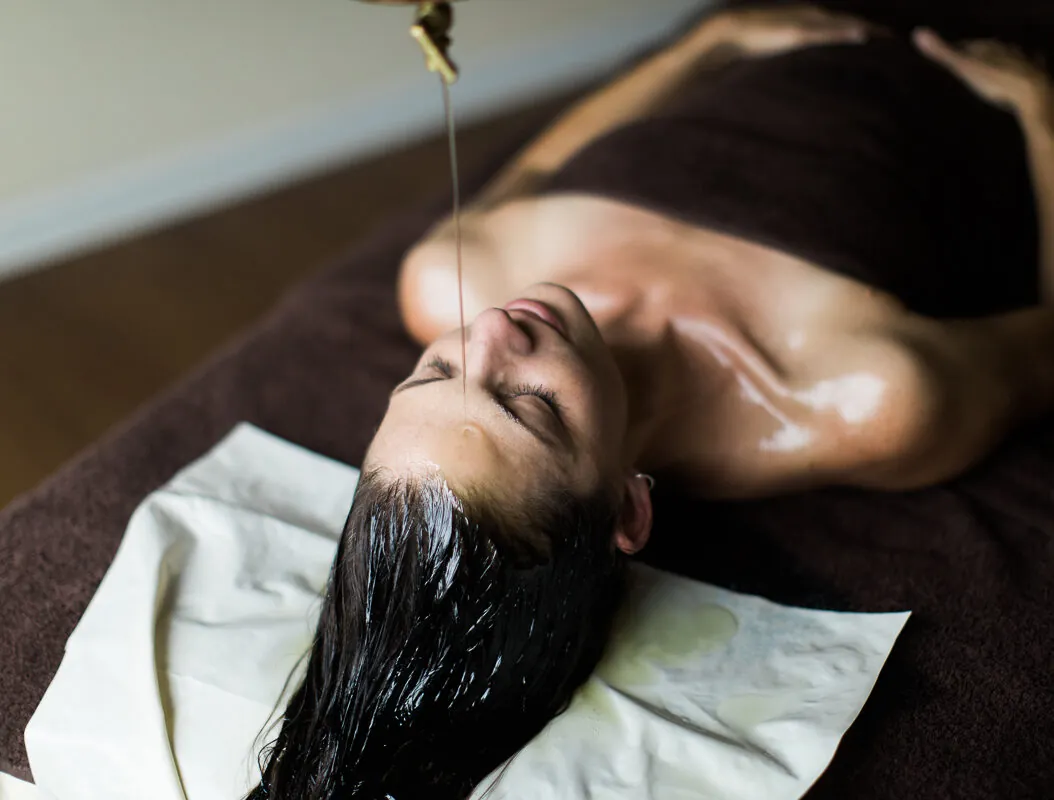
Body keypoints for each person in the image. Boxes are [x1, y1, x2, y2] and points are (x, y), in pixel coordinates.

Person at [249, 5, 1054, 798]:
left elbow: (537, 168)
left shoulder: (441, 279)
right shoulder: (864, 397)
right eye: (528, 405)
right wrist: (1039, 108)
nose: (490, 331)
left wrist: (707, 43)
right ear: (630, 508)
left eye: (432, 372)